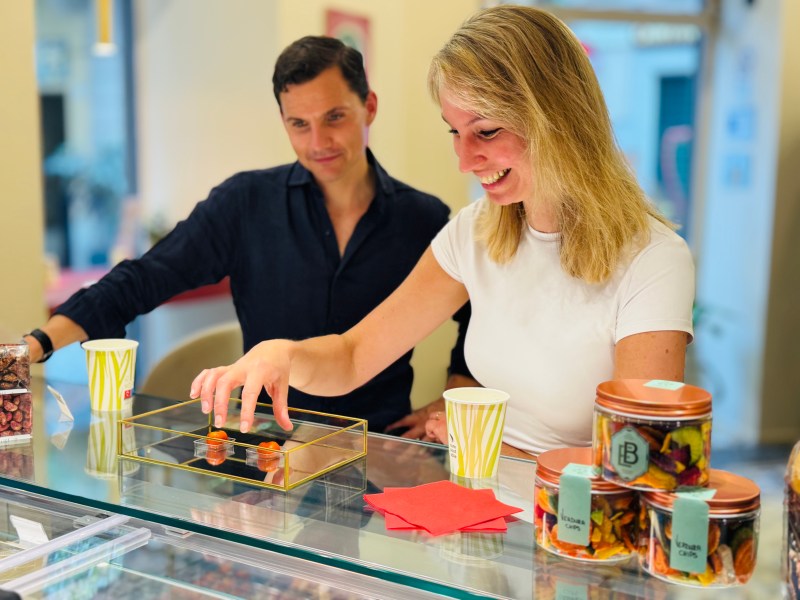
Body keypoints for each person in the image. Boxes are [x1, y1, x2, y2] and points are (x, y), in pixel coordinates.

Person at [191, 6, 694, 458]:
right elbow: (353, 355)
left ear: (555, 118)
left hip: (577, 532)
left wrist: (497, 449)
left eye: (487, 131)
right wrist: (283, 354)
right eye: (455, 132)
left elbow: (640, 457)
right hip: (479, 515)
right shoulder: (474, 233)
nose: (464, 159)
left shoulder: (653, 260)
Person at [24, 35, 474, 433]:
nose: (318, 141)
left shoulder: (423, 217)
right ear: (283, 121)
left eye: (334, 117)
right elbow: (143, 278)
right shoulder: (245, 203)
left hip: (381, 448)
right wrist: (36, 346)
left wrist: (453, 394)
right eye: (299, 124)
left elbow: (479, 312)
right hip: (265, 447)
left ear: (368, 106)